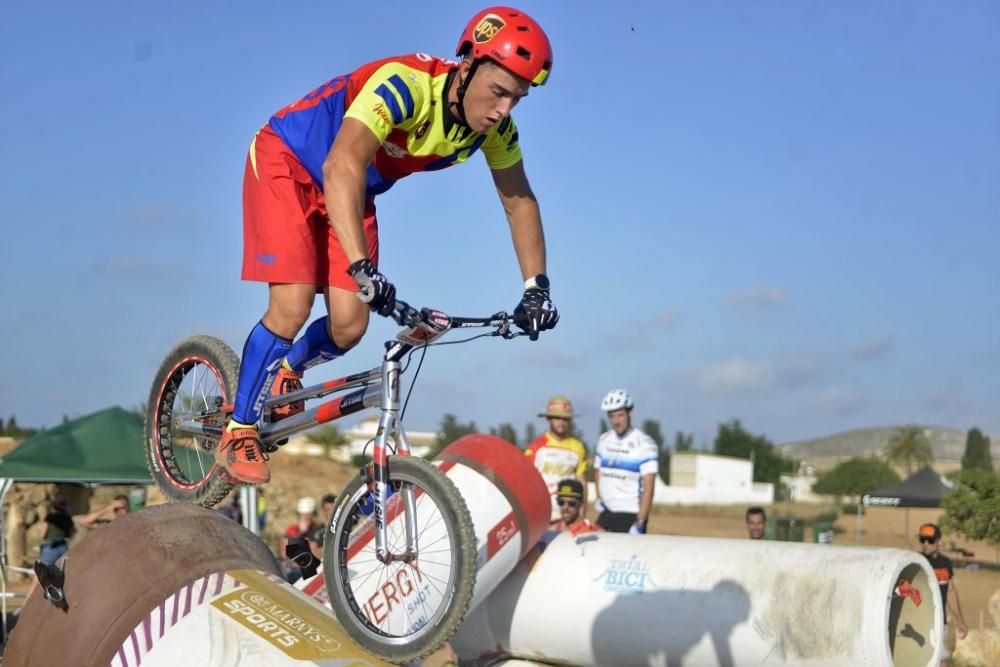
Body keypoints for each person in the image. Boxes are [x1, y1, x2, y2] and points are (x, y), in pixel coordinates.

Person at [216, 6, 559, 486]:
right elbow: (342, 164)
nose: (504, 109)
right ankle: (240, 429)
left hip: (352, 189)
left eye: (517, 99)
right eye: (499, 91)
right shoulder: (404, 85)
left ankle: (287, 370)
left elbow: (519, 202)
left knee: (350, 325)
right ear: (467, 66)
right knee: (292, 304)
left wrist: (535, 288)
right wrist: (362, 268)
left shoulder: (494, 132)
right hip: (290, 161)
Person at [593, 389, 658, 534]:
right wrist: (599, 497)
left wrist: (640, 520)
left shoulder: (645, 444)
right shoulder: (604, 440)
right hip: (607, 512)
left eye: (620, 415)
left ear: (630, 413)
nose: (616, 421)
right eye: (612, 416)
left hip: (630, 513)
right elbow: (597, 471)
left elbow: (649, 487)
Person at [525, 396, 588, 521]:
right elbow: (525, 481)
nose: (562, 422)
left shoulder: (578, 447)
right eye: (557, 418)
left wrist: (582, 514)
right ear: (549, 419)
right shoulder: (536, 447)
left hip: (569, 516)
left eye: (566, 419)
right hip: (543, 516)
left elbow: (582, 483)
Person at [918, 523, 968, 666]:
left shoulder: (945, 563)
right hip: (920, 622)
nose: (926, 544)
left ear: (938, 541)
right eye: (923, 540)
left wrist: (960, 620)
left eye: (930, 540)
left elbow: (950, 591)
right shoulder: (916, 561)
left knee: (941, 661)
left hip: (939, 622)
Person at [281, 497, 324, 583]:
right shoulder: (292, 530)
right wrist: (300, 533)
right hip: (293, 572)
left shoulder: (320, 531)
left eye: (308, 515)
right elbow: (284, 554)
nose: (305, 518)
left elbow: (319, 556)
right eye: (303, 515)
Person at [38, 497, 75, 565]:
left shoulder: (50, 517)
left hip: (50, 547)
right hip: (63, 547)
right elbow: (71, 533)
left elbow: (43, 534)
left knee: (42, 572)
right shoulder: (68, 518)